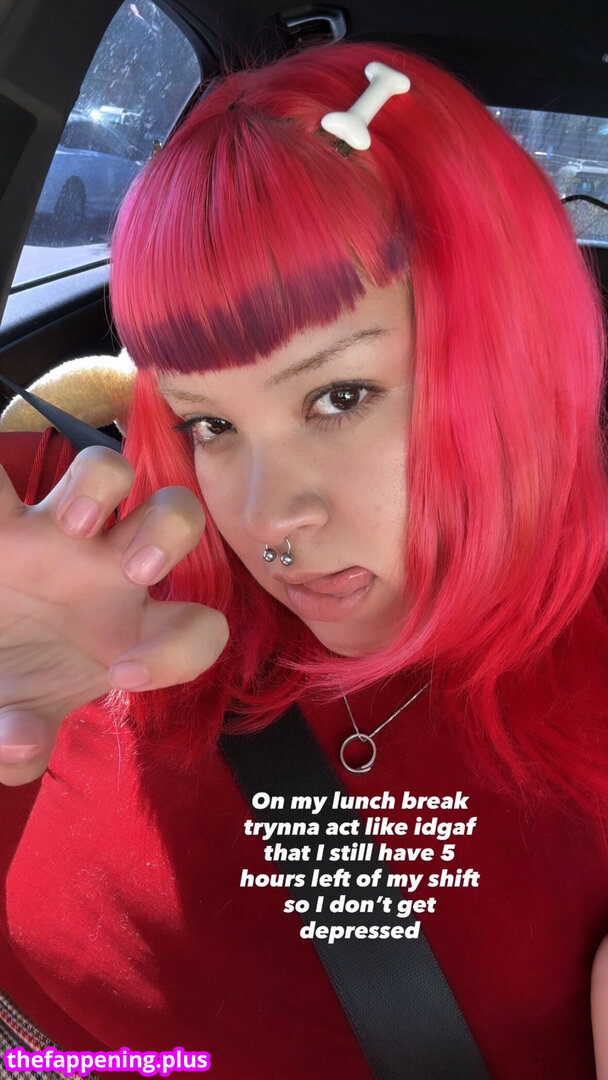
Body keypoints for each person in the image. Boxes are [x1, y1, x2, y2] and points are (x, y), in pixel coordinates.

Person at [0, 39, 607, 1080]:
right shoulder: (84, 524)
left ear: (510, 354)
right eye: (208, 423)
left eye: (339, 396)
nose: (267, 519)